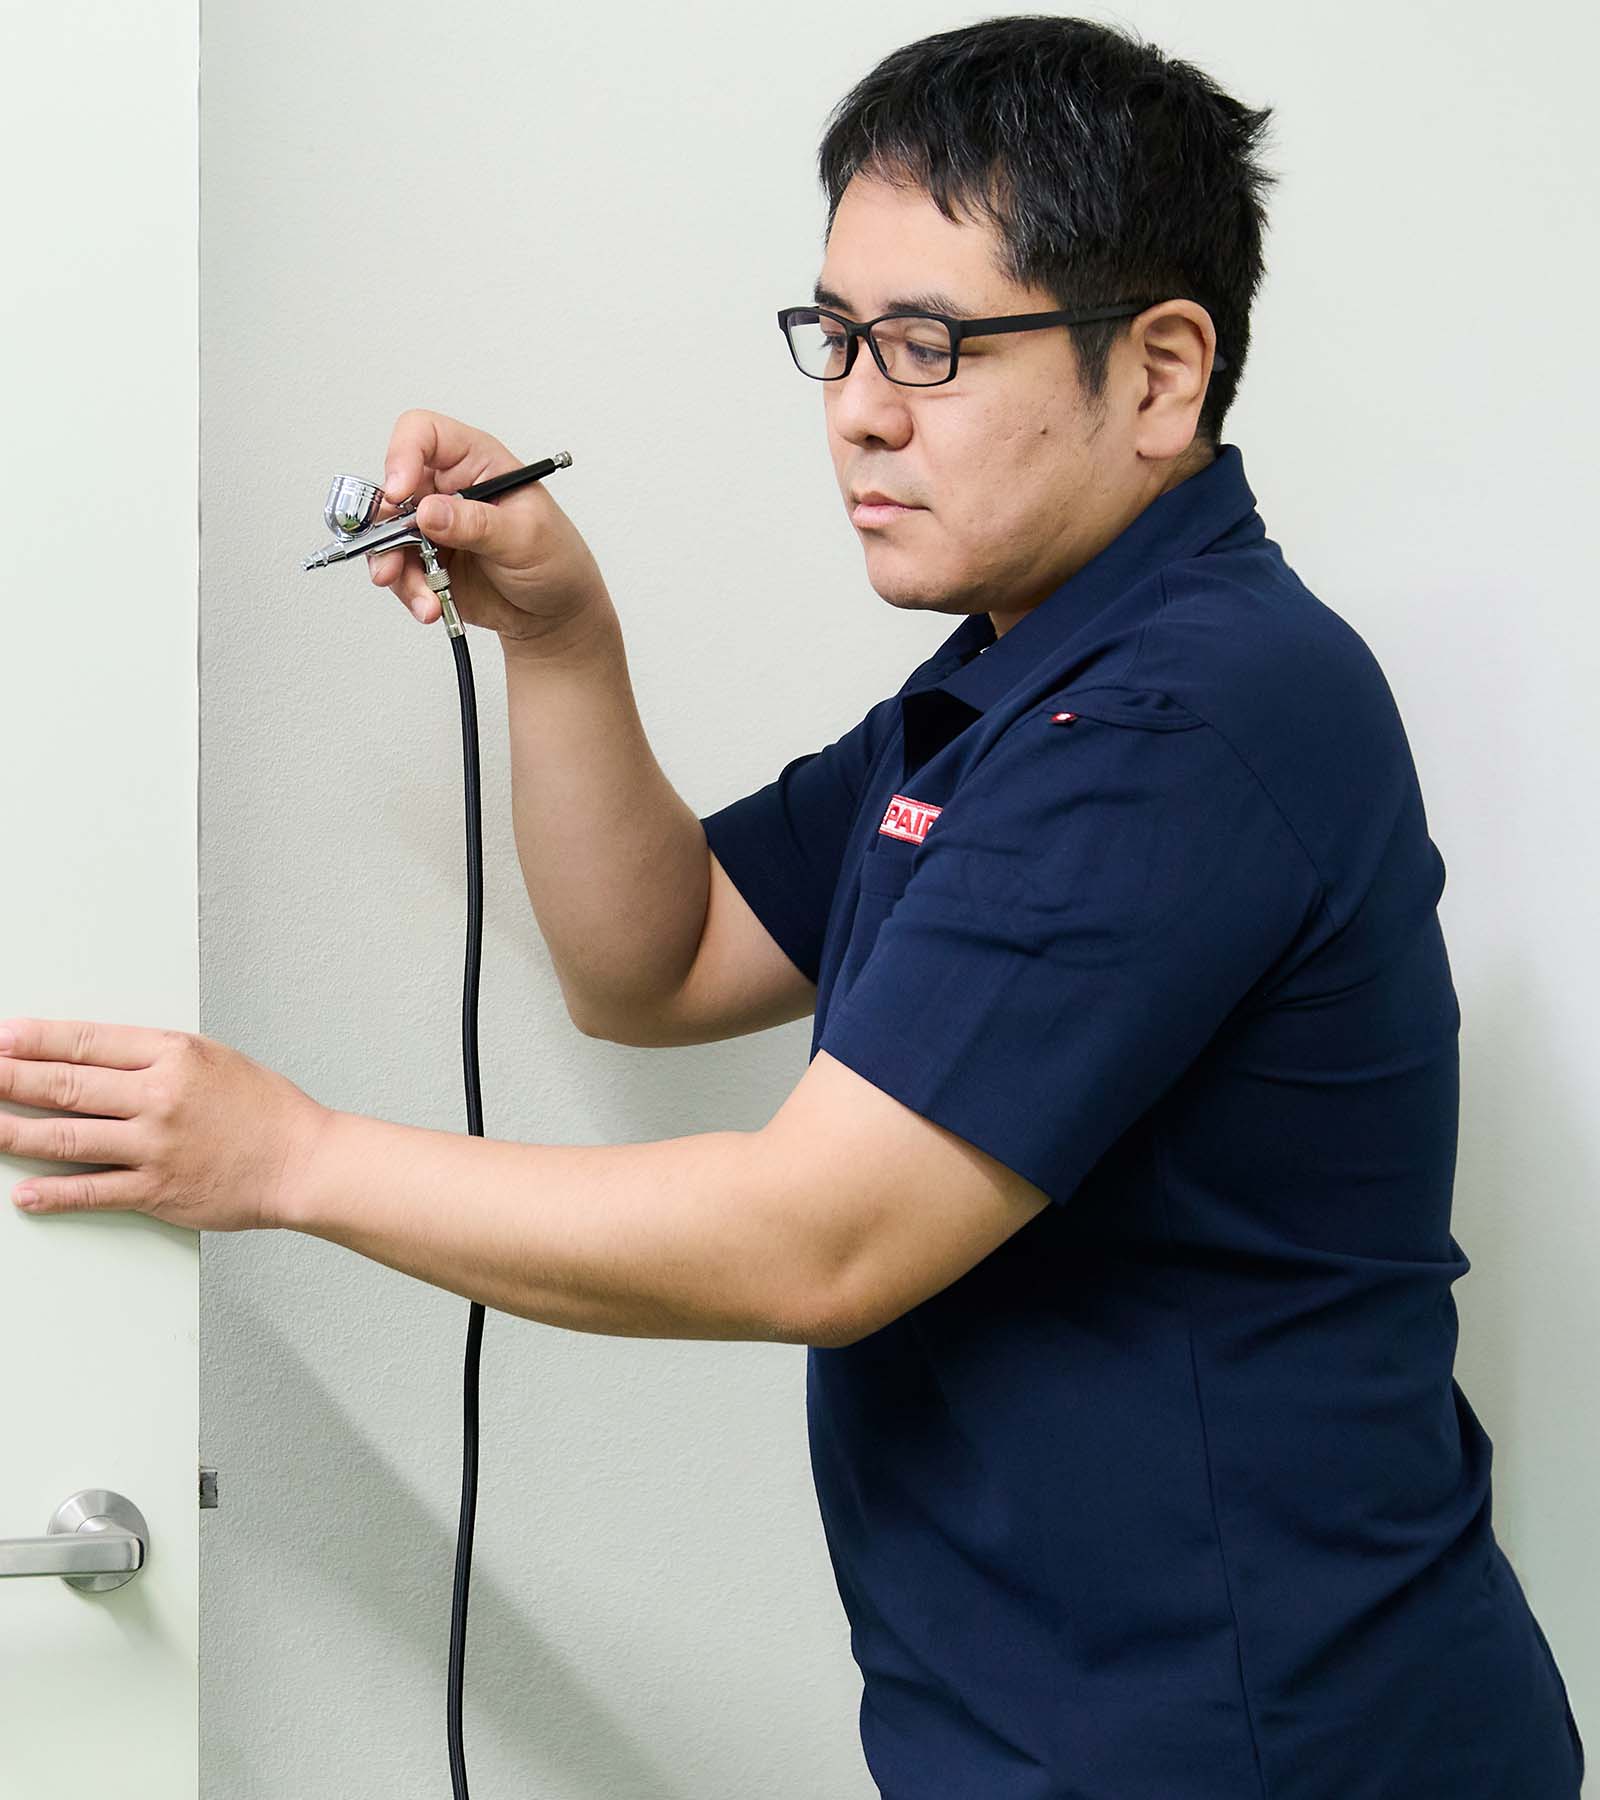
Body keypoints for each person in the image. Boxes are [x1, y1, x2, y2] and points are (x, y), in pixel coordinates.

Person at [1, 14, 1584, 1798]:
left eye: (931, 346)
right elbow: (660, 957)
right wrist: (562, 634)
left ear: (1159, 374)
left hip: (1267, 1750)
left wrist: (287, 1158)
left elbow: (813, 1242)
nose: (858, 409)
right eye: (836, 336)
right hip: (1040, 1733)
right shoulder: (1010, 685)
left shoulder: (1181, 716)